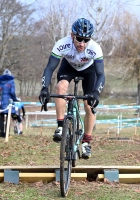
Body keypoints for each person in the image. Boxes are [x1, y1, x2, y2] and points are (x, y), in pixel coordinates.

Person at [39, 18, 105, 159]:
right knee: (60, 86)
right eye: (79, 39)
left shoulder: (95, 48)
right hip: (69, 67)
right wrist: (44, 88)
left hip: (89, 70)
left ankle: (86, 141)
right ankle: (61, 125)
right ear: (72, 35)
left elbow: (100, 74)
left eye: (86, 40)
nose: (82, 44)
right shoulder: (62, 44)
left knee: (89, 105)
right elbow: (50, 68)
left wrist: (96, 93)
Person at [0, 69, 18, 138]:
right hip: (9, 101)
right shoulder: (11, 81)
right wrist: (15, 99)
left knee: (1, 117)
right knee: (9, 116)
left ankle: (1, 132)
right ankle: (7, 132)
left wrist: (0, 97)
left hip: (1, 101)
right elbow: (12, 92)